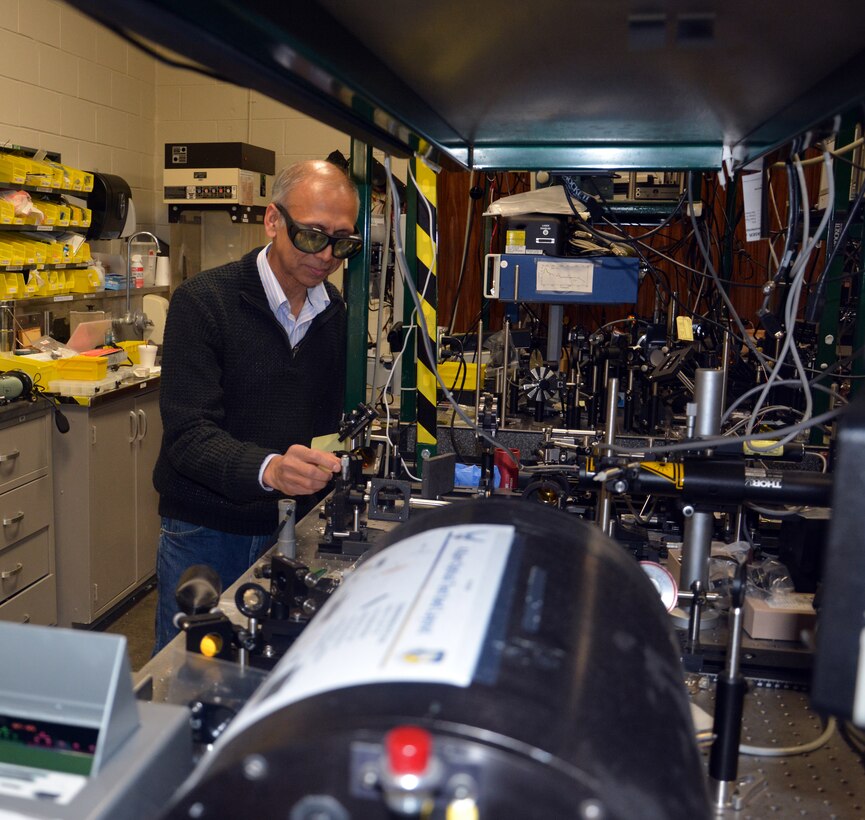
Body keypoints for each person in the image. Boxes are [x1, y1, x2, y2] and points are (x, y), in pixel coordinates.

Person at [151, 159, 363, 652]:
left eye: (342, 242)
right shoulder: (204, 302)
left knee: (272, 665)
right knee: (187, 675)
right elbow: (188, 435)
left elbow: (324, 421)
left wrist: (327, 476)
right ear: (273, 221)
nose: (327, 255)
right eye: (312, 235)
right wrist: (271, 470)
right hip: (206, 531)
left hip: (289, 525)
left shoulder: (332, 311)